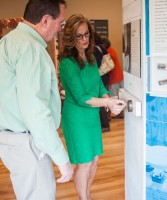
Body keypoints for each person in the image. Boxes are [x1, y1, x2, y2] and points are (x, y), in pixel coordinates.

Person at [0, 1, 73, 200]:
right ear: (45, 20)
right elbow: (35, 111)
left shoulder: (9, 41)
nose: (60, 28)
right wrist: (61, 158)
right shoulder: (30, 48)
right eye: (60, 22)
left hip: (11, 141)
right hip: (28, 143)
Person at [58, 14, 126, 200]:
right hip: (77, 118)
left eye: (86, 34)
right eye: (79, 36)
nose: (84, 39)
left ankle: (86, 195)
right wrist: (108, 103)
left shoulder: (91, 59)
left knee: (94, 160)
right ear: (71, 38)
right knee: (85, 162)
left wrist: (107, 98)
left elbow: (99, 86)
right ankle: (84, 198)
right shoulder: (67, 64)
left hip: (92, 116)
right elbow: (81, 97)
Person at [101, 37, 124, 119]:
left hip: (114, 78)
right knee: (117, 95)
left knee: (114, 96)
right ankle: (119, 113)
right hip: (118, 76)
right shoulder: (111, 50)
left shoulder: (109, 52)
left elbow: (109, 66)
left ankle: (116, 113)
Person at [93, 32, 111, 132]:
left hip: (98, 77)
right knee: (102, 97)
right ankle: (105, 122)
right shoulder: (101, 47)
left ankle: (105, 124)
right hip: (104, 76)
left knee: (99, 100)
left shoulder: (94, 49)